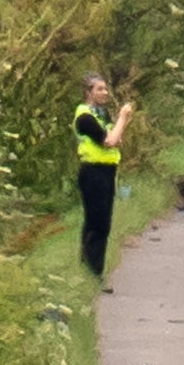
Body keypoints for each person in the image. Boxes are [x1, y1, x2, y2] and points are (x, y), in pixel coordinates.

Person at [72, 72, 127, 280]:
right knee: (96, 222)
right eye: (100, 89)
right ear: (88, 92)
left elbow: (117, 139)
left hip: (106, 171)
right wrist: (123, 117)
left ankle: (93, 269)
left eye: (105, 88)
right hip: (92, 171)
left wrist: (119, 125)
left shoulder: (101, 114)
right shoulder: (85, 116)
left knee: (103, 222)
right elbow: (109, 141)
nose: (105, 92)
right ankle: (92, 270)